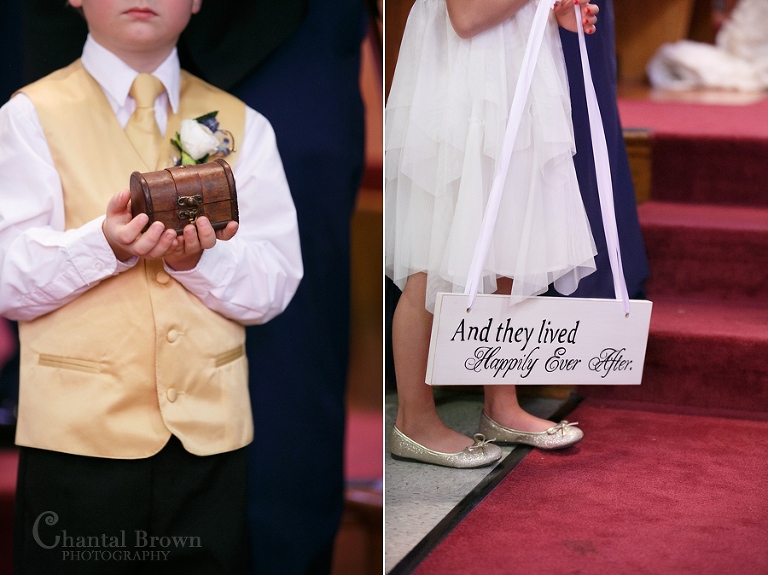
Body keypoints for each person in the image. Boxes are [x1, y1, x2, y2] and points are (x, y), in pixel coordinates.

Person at [0, 2, 303, 574]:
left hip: (207, 445)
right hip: (78, 442)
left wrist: (197, 264)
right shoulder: (30, 116)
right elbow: (7, 278)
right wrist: (106, 246)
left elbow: (275, 282)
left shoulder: (238, 123)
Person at [385, 0, 598, 467]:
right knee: (435, 252)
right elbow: (466, 16)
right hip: (462, 80)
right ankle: (414, 420)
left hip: (513, 68)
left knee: (508, 240)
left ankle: (501, 407)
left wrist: (552, 10)